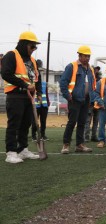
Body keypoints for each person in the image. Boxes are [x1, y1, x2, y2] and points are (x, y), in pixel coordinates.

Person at [1, 31, 42, 163]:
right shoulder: (11, 55)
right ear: (24, 44)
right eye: (32, 46)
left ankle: (23, 149)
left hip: (28, 96)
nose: (34, 49)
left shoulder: (33, 61)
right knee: (14, 124)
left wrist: (39, 92)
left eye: (35, 47)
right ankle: (11, 152)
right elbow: (6, 74)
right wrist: (25, 85)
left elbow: (37, 78)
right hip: (15, 95)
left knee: (26, 124)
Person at [59, 45, 96, 154]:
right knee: (72, 122)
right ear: (79, 55)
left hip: (86, 100)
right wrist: (68, 96)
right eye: (85, 56)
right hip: (74, 100)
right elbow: (63, 82)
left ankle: (79, 145)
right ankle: (66, 145)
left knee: (82, 123)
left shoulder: (90, 69)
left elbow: (92, 84)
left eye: (89, 56)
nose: (87, 58)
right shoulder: (71, 66)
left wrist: (92, 99)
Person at [84, 65, 102, 142]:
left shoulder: (101, 81)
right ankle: (86, 137)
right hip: (90, 103)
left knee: (96, 121)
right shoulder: (88, 80)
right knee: (88, 121)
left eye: (97, 70)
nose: (96, 71)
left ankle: (94, 136)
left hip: (97, 103)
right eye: (95, 70)